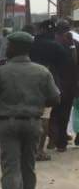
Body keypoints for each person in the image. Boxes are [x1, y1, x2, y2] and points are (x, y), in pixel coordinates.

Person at [0, 31, 60, 189]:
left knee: (11, 165)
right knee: (28, 163)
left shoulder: (1, 71)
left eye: (9, 45)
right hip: (33, 122)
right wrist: (39, 104)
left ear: (14, 47)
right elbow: (55, 98)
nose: (7, 48)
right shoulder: (42, 71)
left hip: (8, 123)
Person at [29, 19, 69, 161]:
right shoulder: (57, 47)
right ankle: (40, 150)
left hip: (30, 84)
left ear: (41, 30)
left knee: (32, 116)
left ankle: (30, 149)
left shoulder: (31, 44)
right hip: (50, 84)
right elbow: (65, 66)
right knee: (46, 117)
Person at [51, 21, 78, 152]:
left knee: (54, 113)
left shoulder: (54, 45)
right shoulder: (75, 44)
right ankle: (61, 142)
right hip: (70, 85)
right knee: (64, 113)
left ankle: (54, 140)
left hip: (55, 84)